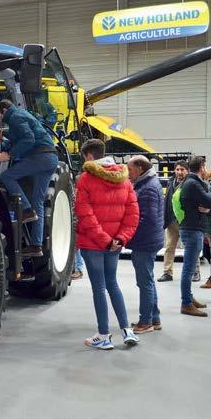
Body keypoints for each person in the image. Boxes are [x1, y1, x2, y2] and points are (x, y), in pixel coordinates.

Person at [75, 139, 140, 350]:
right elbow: (133, 215)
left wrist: (104, 240)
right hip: (115, 244)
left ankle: (103, 335)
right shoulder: (125, 179)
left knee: (99, 288)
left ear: (89, 156)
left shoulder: (86, 179)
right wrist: (119, 239)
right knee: (113, 284)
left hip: (94, 243)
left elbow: (85, 215)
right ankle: (127, 330)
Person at [0, 99, 59, 258]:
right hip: (50, 158)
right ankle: (36, 246)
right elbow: (24, 134)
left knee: (6, 176)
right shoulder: (22, 115)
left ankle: (26, 209)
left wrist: (9, 155)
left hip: (40, 157)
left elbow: (29, 139)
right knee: (38, 202)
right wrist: (5, 135)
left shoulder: (15, 117)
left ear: (4, 110)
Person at [127, 156, 164, 334]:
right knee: (147, 280)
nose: (128, 172)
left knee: (145, 283)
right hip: (148, 240)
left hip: (145, 242)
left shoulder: (147, 188)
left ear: (140, 168)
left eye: (130, 169)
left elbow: (147, 219)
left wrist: (128, 233)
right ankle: (154, 319)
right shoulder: (147, 183)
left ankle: (146, 322)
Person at [174, 156, 211, 317]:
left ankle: (189, 298)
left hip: (191, 228)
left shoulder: (190, 182)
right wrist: (207, 188)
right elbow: (210, 200)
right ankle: (186, 303)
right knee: (188, 268)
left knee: (189, 267)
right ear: (202, 167)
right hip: (192, 230)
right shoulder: (194, 183)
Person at [158, 160, 201, 282]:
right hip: (172, 221)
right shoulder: (170, 181)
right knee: (169, 247)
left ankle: (195, 272)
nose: (179, 172)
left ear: (187, 171)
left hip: (187, 222)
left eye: (182, 169)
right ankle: (167, 273)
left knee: (191, 248)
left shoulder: (191, 183)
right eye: (177, 169)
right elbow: (167, 200)